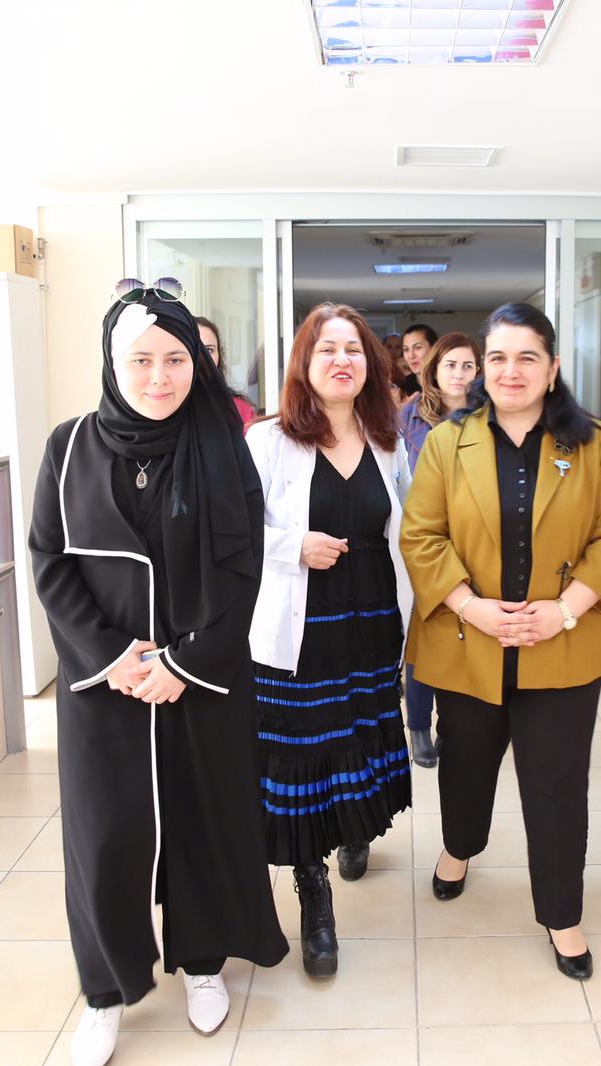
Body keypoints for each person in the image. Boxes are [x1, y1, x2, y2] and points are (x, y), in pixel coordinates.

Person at [28, 283, 287, 1065]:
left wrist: (187, 661)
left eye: (176, 359)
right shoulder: (68, 447)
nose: (159, 376)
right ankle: (106, 990)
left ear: (197, 365)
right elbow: (49, 560)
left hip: (198, 679)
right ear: (113, 363)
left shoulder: (222, 447)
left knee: (202, 823)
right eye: (140, 360)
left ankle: (203, 961)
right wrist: (109, 656)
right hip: (106, 686)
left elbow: (244, 570)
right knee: (105, 837)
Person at [401, 302, 601, 980]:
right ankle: (458, 847)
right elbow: (421, 534)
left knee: (557, 786)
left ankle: (563, 914)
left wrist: (564, 610)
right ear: (483, 367)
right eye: (498, 357)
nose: (511, 371)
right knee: (466, 764)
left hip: (560, 641)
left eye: (527, 357)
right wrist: (470, 606)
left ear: (553, 368)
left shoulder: (592, 442)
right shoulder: (449, 441)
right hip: (468, 636)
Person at [245, 302, 414, 976]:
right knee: (305, 755)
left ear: (370, 364)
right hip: (300, 633)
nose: (342, 360)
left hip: (371, 622)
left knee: (358, 739)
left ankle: (353, 828)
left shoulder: (388, 440)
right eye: (327, 349)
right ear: (304, 363)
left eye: (354, 349)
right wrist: (293, 546)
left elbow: (409, 528)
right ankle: (313, 892)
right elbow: (230, 533)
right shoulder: (267, 441)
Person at [395, 331, 479, 767]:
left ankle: (454, 723)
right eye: (450, 365)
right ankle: (417, 725)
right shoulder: (407, 417)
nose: (459, 374)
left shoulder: (490, 416)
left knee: (464, 635)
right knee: (424, 635)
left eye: (468, 366)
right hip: (424, 538)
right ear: (434, 369)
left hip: (475, 540)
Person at [194, 315, 258, 429]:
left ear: (219, 355)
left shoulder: (240, 410)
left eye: (209, 350)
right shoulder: (164, 406)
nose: (203, 358)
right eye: (195, 349)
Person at [397, 323, 435, 400]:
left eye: (417, 347)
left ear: (433, 348)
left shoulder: (447, 383)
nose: (411, 355)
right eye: (406, 349)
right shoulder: (402, 386)